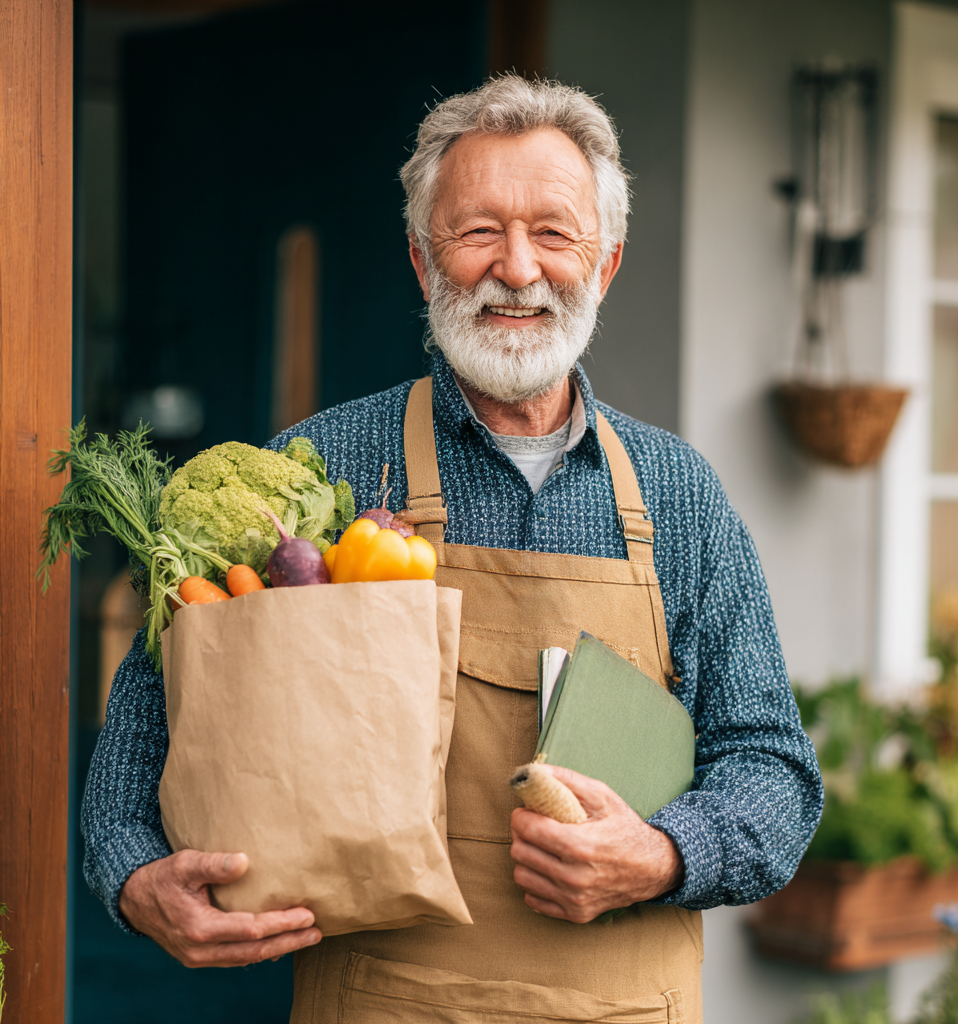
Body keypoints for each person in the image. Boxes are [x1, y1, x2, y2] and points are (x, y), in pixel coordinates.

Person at [83, 76, 822, 1021]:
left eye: (554, 232)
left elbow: (774, 771)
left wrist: (665, 852)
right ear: (422, 263)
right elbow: (145, 729)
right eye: (478, 231)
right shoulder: (321, 471)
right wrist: (137, 881)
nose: (517, 269)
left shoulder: (681, 496)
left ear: (607, 266)